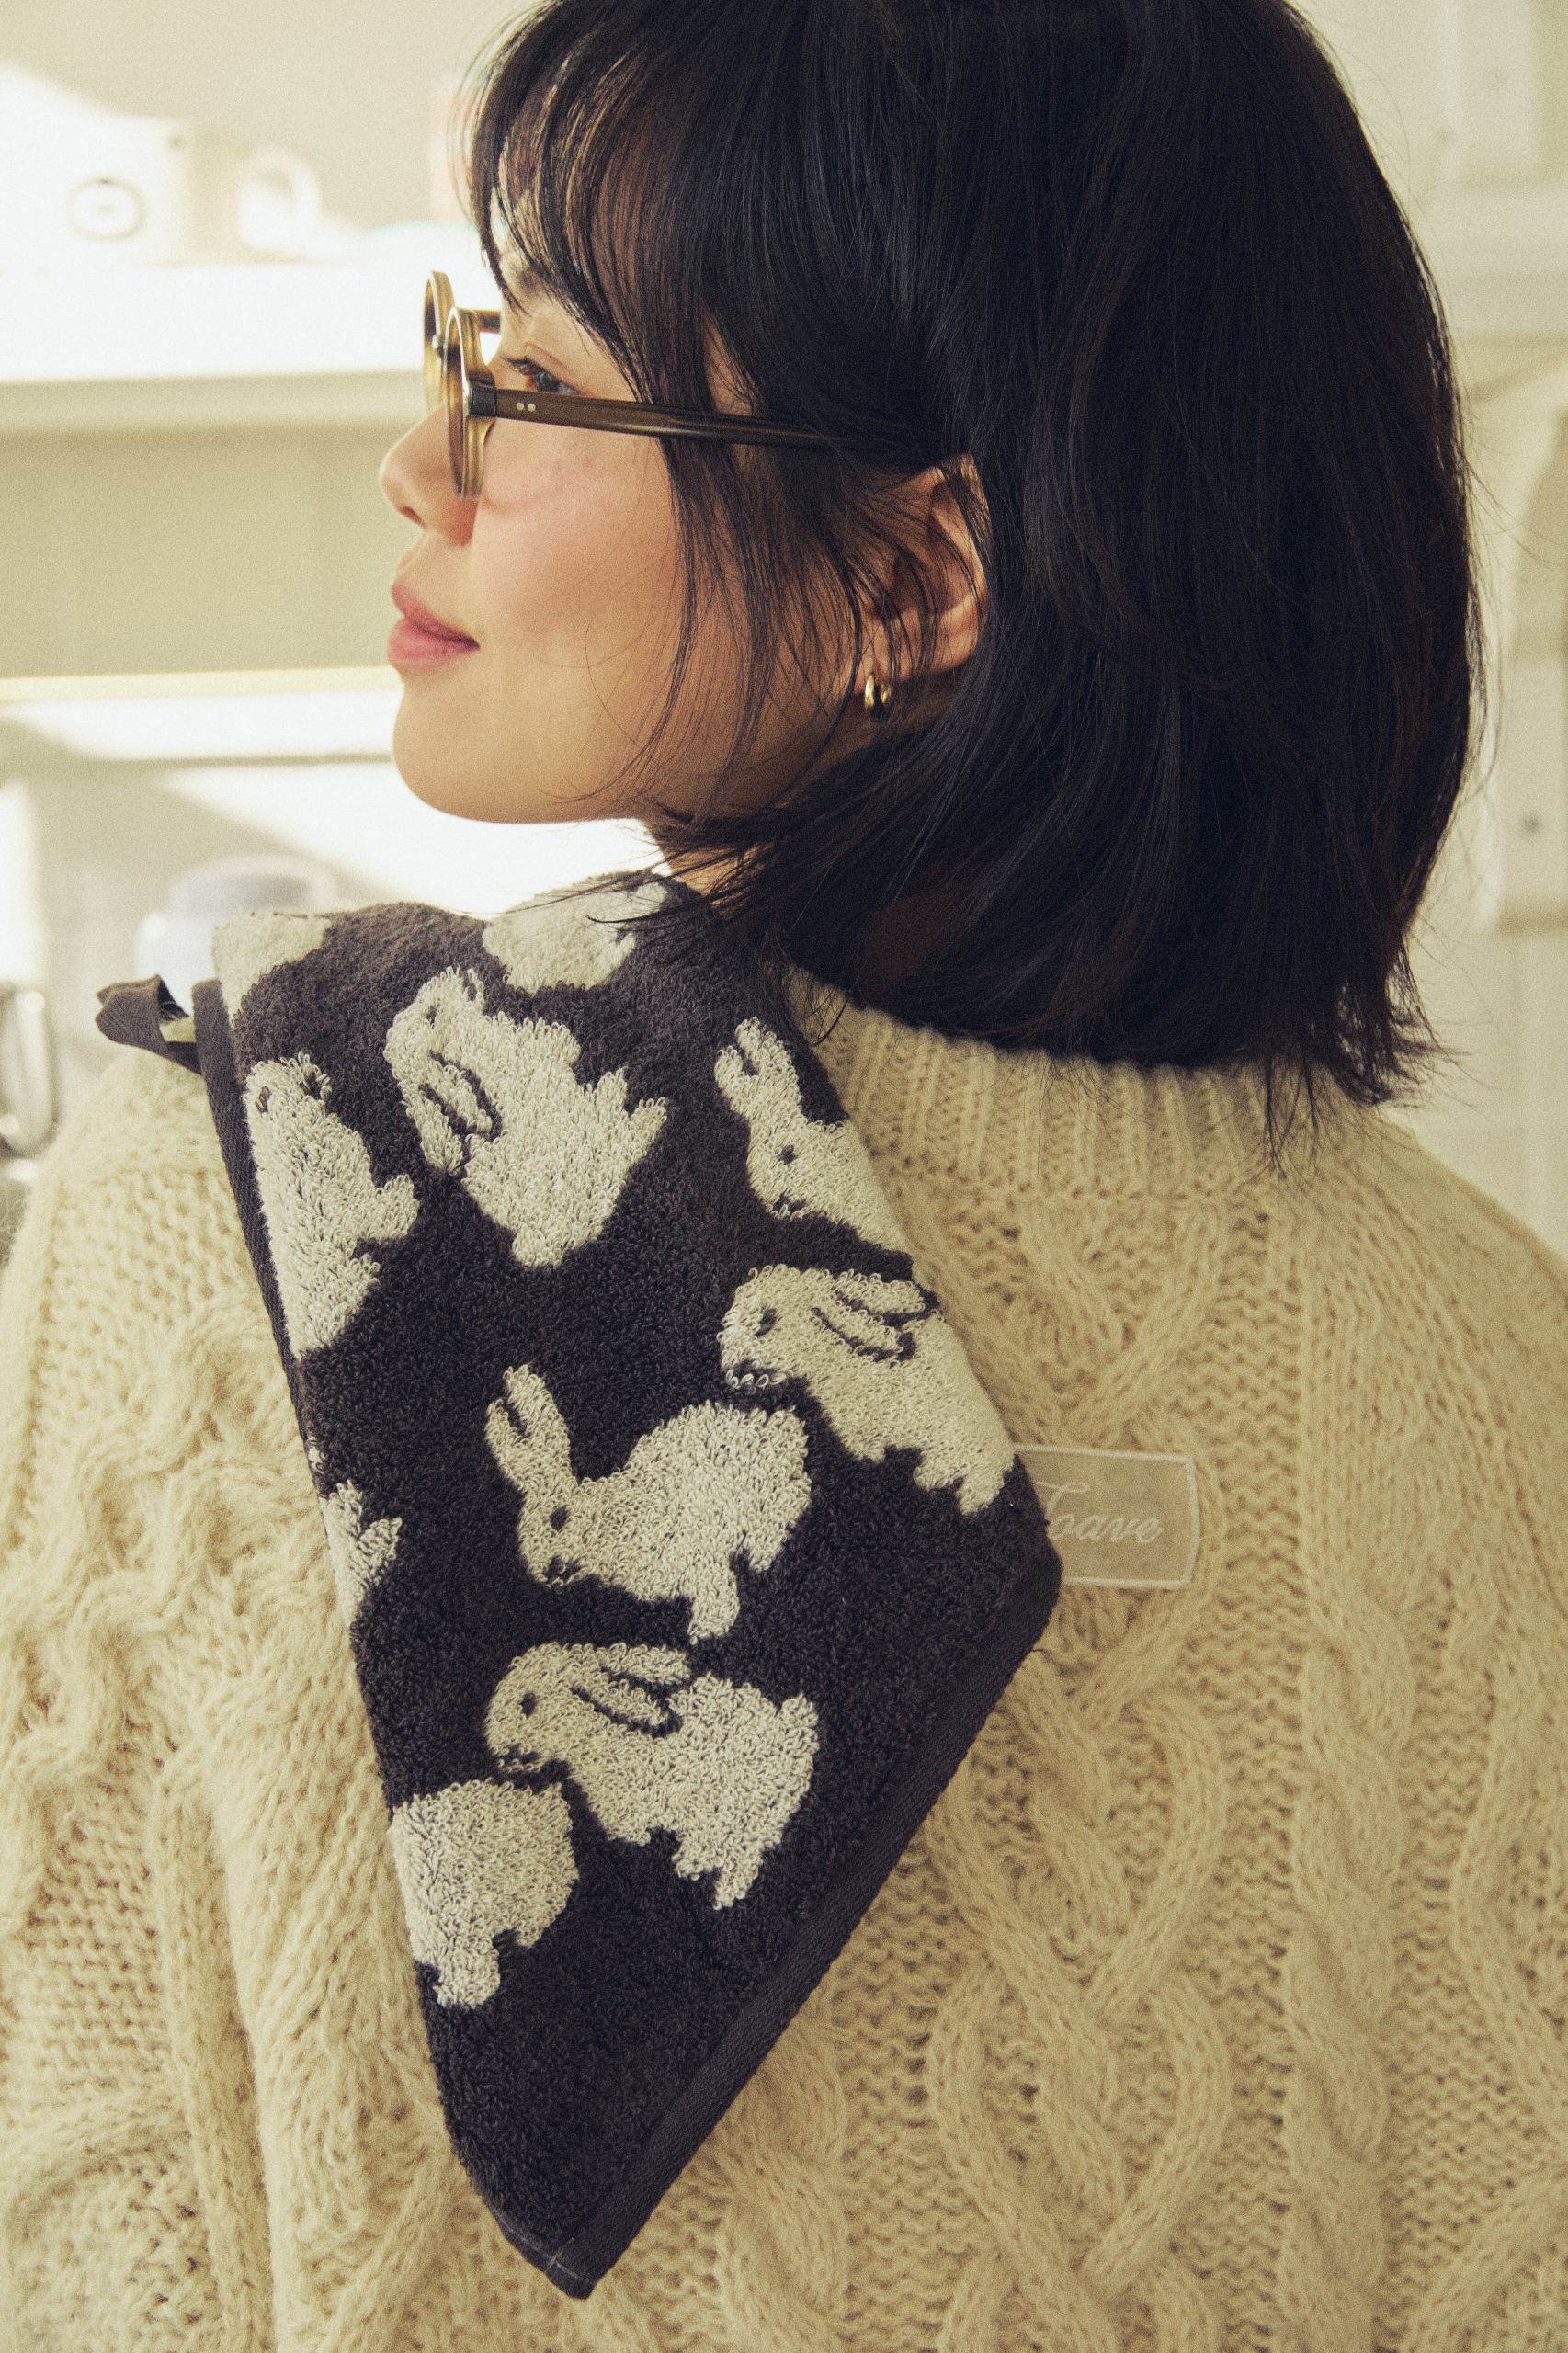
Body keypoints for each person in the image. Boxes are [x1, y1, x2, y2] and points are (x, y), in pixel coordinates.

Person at [3, 0, 1566, 2345]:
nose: (420, 463)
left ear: (911, 584)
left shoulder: (250, 1200)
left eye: (532, 383)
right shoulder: (1503, 1378)